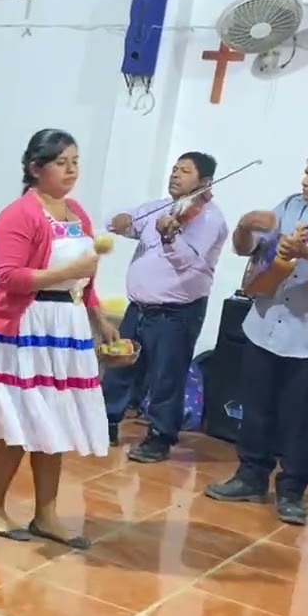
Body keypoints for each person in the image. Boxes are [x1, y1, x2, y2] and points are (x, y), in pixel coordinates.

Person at [0, 128, 115, 550]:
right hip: (24, 327)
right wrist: (66, 273)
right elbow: (9, 277)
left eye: (75, 162)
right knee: (20, 420)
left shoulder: (76, 213)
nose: (71, 170)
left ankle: (47, 515)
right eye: (61, 162)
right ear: (36, 168)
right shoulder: (19, 215)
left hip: (64, 326)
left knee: (55, 420)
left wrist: (98, 316)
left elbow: (86, 277)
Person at [205, 142, 308, 526]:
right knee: (257, 409)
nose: (305, 180)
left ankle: (292, 491)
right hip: (266, 326)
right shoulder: (291, 206)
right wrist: (244, 227)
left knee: (304, 422)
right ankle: (250, 476)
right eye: (306, 171)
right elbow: (252, 250)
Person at [103, 152, 228, 461]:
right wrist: (119, 220)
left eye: (185, 171)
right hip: (139, 307)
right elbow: (127, 219)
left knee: (166, 377)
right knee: (120, 366)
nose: (175, 174)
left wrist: (170, 237)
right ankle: (107, 422)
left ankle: (160, 437)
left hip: (176, 312)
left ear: (205, 182)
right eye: (174, 168)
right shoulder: (159, 207)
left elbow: (187, 262)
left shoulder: (210, 220)